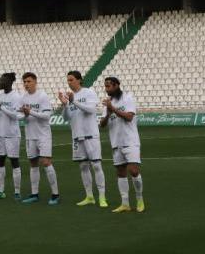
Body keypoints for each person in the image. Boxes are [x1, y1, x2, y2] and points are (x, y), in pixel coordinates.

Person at [59, 70, 107, 207]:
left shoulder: (88, 92)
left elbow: (91, 110)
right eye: (68, 80)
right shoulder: (69, 97)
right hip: (77, 136)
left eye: (72, 79)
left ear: (79, 80)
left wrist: (74, 101)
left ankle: (102, 197)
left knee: (96, 165)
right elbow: (66, 118)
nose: (69, 82)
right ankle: (89, 196)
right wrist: (64, 105)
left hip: (91, 135)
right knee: (83, 166)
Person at [102, 76, 144, 213]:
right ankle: (125, 203)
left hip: (130, 141)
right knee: (120, 173)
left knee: (133, 170)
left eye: (109, 86)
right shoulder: (109, 103)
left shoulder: (128, 98)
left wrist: (112, 109)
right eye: (105, 86)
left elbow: (129, 117)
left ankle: (139, 199)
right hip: (116, 142)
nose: (106, 88)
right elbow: (102, 125)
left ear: (116, 85)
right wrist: (108, 113)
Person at [18, 72, 59, 205]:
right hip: (30, 135)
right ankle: (34, 194)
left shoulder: (42, 96)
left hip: (43, 135)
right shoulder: (23, 97)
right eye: (24, 82)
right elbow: (21, 117)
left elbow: (46, 116)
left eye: (29, 81)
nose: (26, 84)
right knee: (33, 164)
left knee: (46, 162)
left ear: (35, 82)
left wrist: (30, 112)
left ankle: (55, 194)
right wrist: (23, 114)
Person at [0, 72, 23, 200]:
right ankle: (0, 191)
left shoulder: (17, 97)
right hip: (0, 133)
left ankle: (17, 192)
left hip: (12, 134)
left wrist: (0, 106)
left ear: (9, 82)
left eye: (2, 80)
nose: (0, 82)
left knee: (14, 162)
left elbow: (15, 116)